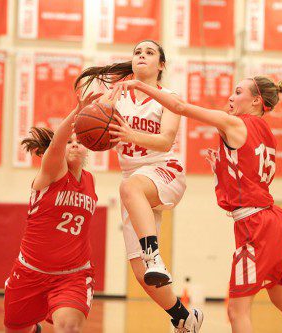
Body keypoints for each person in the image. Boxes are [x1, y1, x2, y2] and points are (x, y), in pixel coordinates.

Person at [110, 76, 282, 333]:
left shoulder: (234, 123)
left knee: (236, 311)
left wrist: (140, 86)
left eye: (238, 92)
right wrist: (222, 168)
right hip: (272, 219)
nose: (230, 97)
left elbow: (180, 107)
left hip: (255, 225)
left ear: (255, 101)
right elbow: (250, 173)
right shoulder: (266, 133)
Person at [74, 40, 203, 332]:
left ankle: (153, 254)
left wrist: (130, 134)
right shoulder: (114, 97)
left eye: (149, 53)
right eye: (137, 52)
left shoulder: (169, 97)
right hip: (132, 179)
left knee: (130, 187)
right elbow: (89, 129)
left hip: (164, 170)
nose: (141, 56)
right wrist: (85, 118)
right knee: (140, 274)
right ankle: (184, 318)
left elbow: (166, 140)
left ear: (161, 65)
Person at [4, 91, 102, 333]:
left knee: (68, 327)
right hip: (30, 272)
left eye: (80, 140)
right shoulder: (52, 172)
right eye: (70, 141)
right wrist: (78, 112)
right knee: (16, 330)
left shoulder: (90, 180)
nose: (75, 144)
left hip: (73, 274)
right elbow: (57, 142)